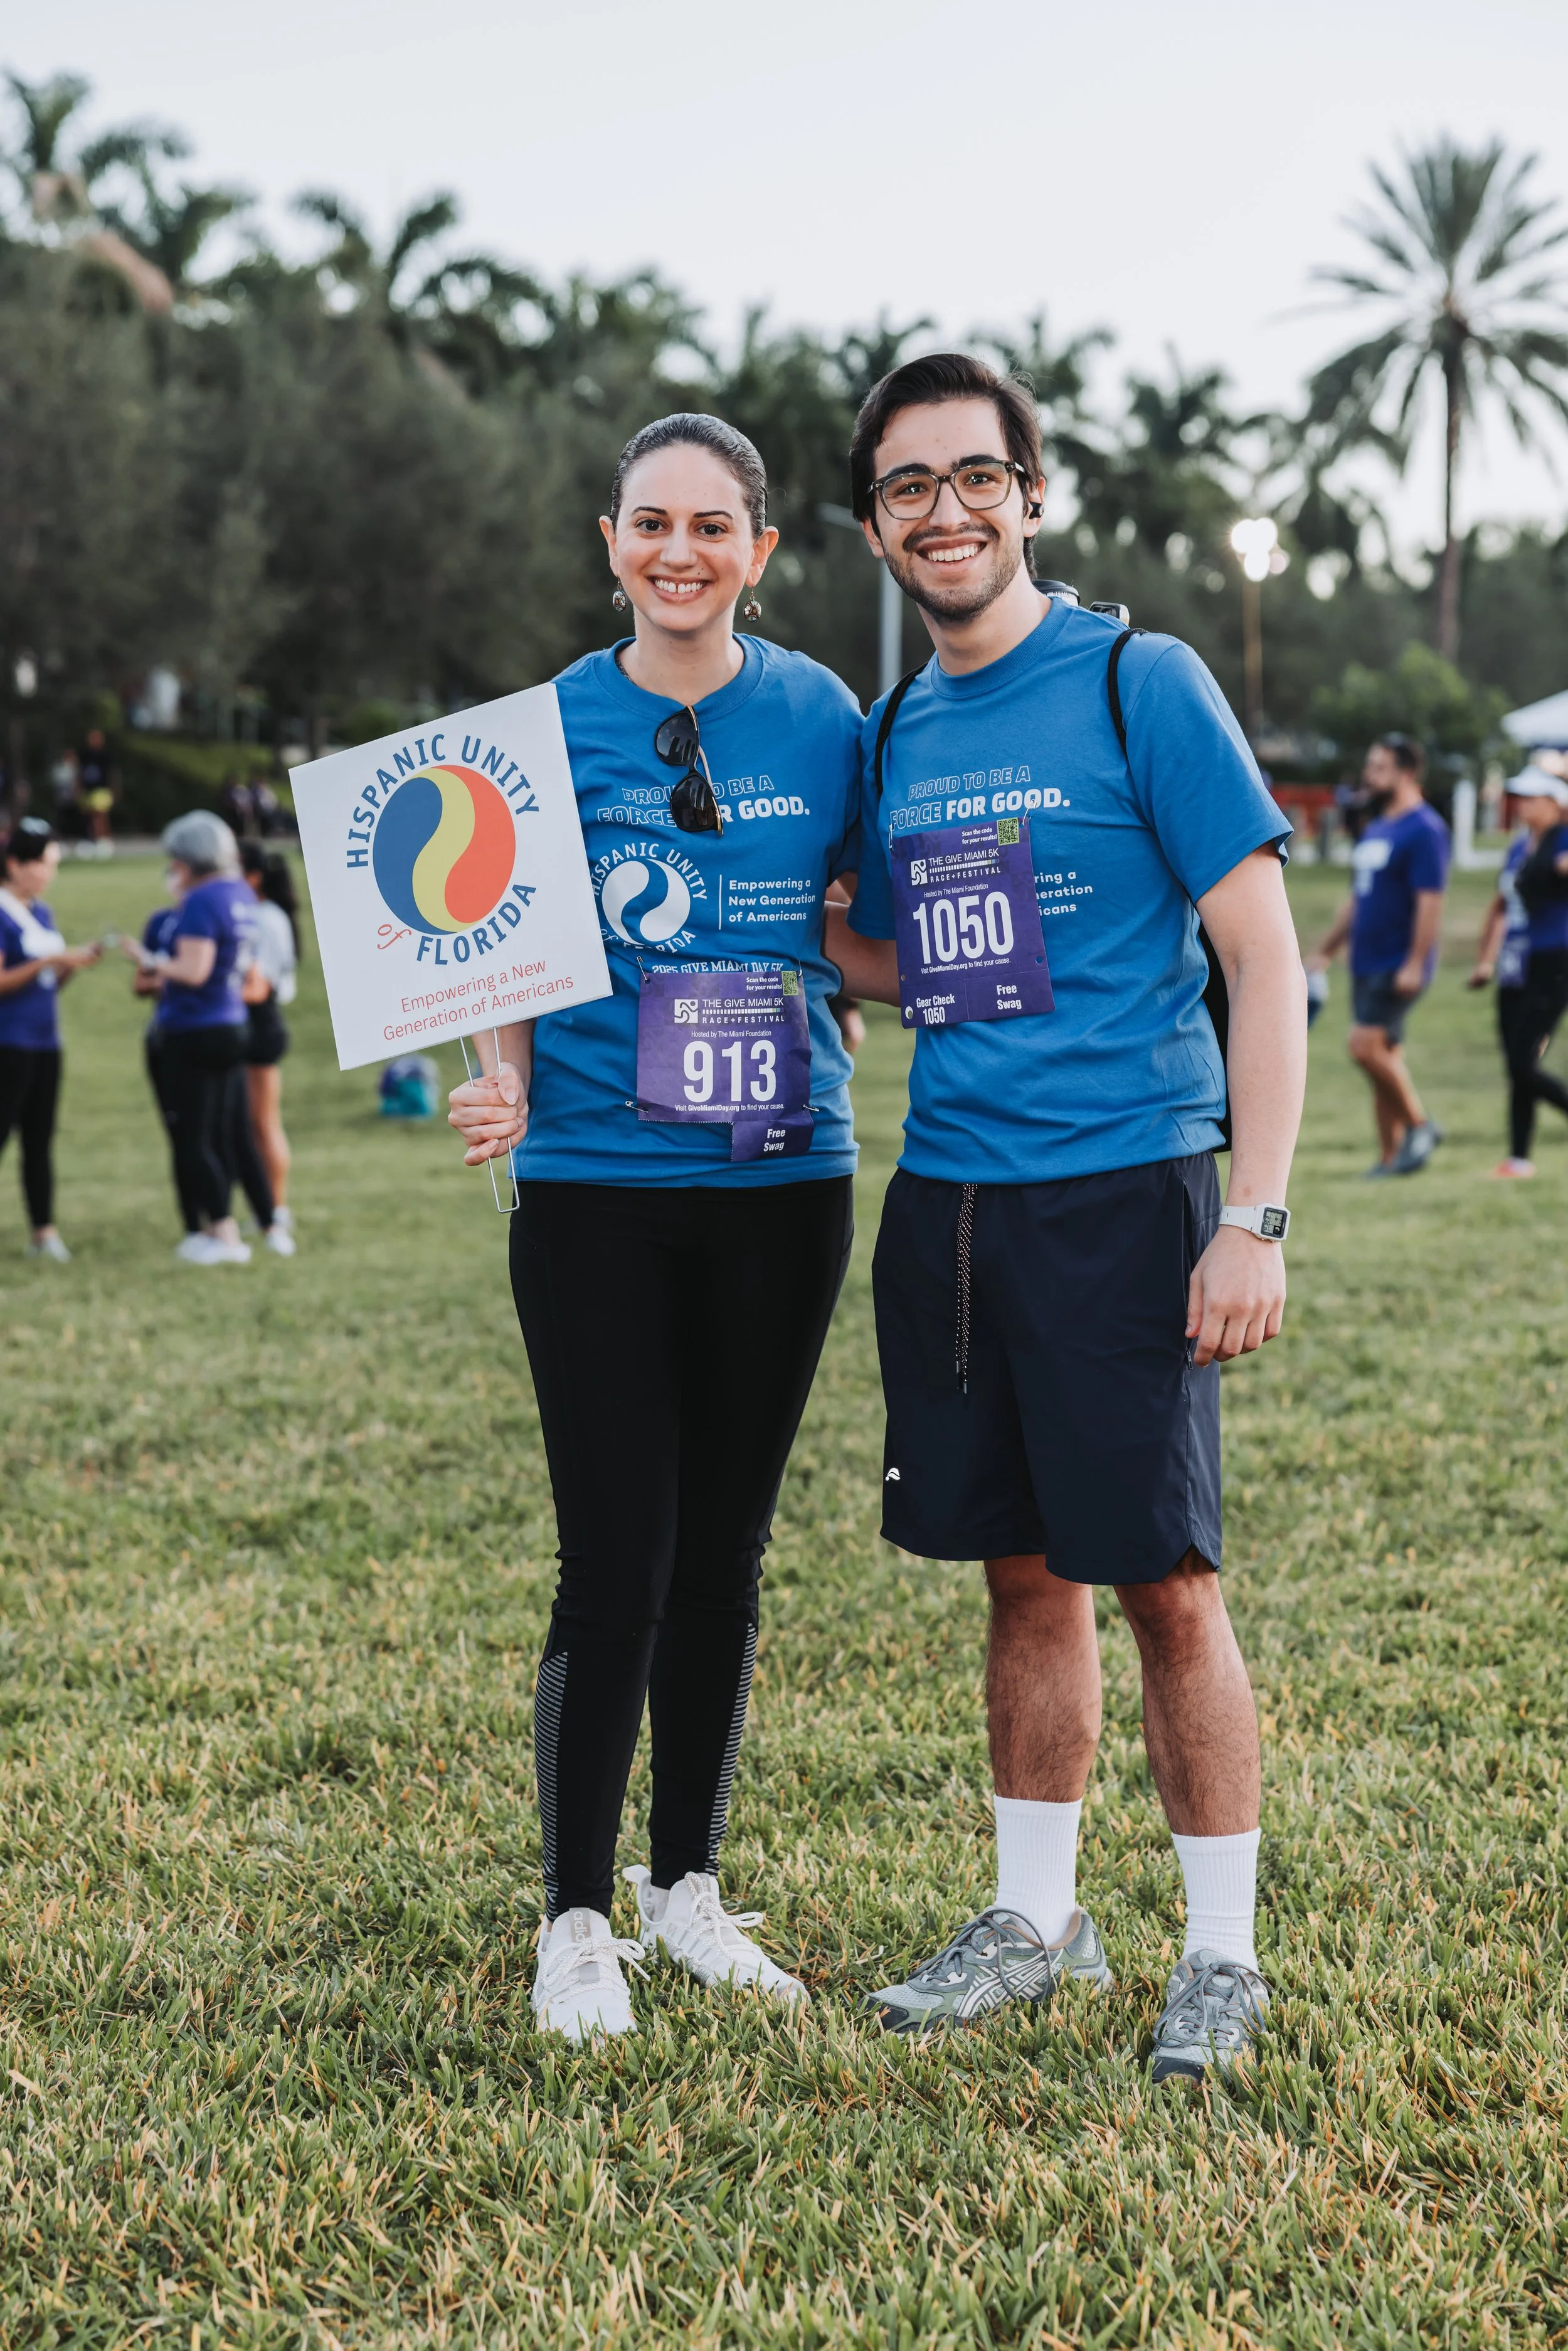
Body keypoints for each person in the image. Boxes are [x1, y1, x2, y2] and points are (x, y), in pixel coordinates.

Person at [825, 352, 1305, 2086]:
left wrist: (1250, 1212)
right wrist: (748, 930)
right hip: (952, 1200)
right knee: (1018, 1573)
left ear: (1029, 492)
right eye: (905, 486)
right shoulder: (897, 732)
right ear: (874, 524)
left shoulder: (1134, 680)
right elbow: (902, 960)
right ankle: (1034, 1920)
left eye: (972, 475)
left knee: (1165, 1577)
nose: (941, 510)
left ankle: (1220, 1954)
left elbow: (1261, 959)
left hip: (1130, 1188)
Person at [447, 413, 862, 2042]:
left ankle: (685, 1887)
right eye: (648, 523)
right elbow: (492, 945)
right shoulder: (539, 727)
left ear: (759, 550)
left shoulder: (826, 714)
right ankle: (574, 1915)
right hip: (598, 1195)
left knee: (727, 1558)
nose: (677, 550)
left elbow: (871, 919)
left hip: (783, 1191)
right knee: (614, 1555)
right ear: (609, 543)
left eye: (711, 525)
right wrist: (494, 1083)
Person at [135, 811, 285, 1265]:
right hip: (232, 1021)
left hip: (195, 1027)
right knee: (230, 1129)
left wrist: (149, 960)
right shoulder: (239, 892)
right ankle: (258, 1224)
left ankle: (222, 1233)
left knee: (196, 1136)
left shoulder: (201, 899)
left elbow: (194, 970)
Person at [1308, 735, 1451, 1177]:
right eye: (1370, 767)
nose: (1370, 777)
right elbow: (1358, 899)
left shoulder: (1425, 829)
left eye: (1380, 768)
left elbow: (1430, 902)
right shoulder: (1377, 827)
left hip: (1398, 961)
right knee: (1383, 1055)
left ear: (1407, 773)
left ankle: (1422, 1126)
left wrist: (1414, 962)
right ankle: (1390, 1158)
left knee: (1363, 1046)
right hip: (1365, 960)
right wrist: (1326, 950)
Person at [0, 817, 102, 1258]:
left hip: (46, 1041)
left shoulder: (42, 911)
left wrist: (67, 968)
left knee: (39, 1140)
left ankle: (44, 1232)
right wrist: (48, 962)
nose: (49, 874)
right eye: (42, 864)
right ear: (15, 863)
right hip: (10, 1042)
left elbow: (45, 982)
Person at [1468, 763, 1568, 1178]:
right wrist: (1486, 960)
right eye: (1522, 797)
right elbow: (1501, 906)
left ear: (1556, 804)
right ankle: (1519, 1158)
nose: (1524, 804)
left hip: (1554, 961)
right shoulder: (1518, 847)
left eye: (1534, 798)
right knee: (1516, 1062)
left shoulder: (1562, 844)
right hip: (1516, 963)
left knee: (1524, 1061)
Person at [240, 841, 299, 1241]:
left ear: (253, 877)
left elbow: (260, 984)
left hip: (261, 1024)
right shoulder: (260, 914)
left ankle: (277, 1209)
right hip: (253, 1022)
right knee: (253, 1123)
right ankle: (267, 1207)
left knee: (264, 1123)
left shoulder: (265, 918)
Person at [77, 729, 117, 859]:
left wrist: (114, 789)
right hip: (88, 790)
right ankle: (91, 841)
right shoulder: (85, 755)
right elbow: (79, 773)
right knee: (88, 816)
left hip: (102, 790)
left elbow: (112, 773)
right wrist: (78, 788)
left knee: (100, 816)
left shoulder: (105, 755)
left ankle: (104, 841)